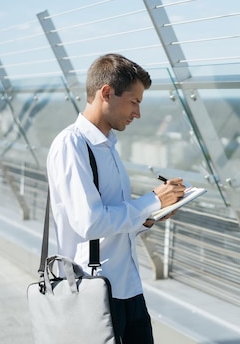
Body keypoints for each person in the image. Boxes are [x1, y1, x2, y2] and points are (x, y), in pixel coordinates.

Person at [46, 53, 186, 343]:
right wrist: (151, 200)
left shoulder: (107, 145)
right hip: (95, 290)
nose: (138, 113)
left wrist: (149, 217)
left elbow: (114, 218)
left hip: (127, 288)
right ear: (106, 93)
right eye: (134, 102)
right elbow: (89, 223)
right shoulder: (71, 145)